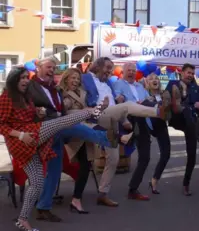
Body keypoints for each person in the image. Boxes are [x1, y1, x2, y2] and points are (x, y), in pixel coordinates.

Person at [0, 67, 105, 231]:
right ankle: (95, 114)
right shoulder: (7, 96)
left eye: (27, 77)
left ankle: (22, 219)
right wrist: (20, 135)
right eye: (22, 78)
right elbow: (2, 125)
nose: (26, 80)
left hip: (31, 136)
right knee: (61, 122)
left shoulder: (26, 97)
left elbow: (28, 117)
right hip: (21, 139)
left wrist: (39, 113)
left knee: (37, 183)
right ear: (14, 80)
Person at [59, 68, 162, 211]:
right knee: (84, 163)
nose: (76, 81)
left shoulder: (88, 91)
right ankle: (121, 138)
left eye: (77, 78)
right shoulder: (62, 93)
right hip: (78, 126)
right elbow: (63, 110)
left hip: (94, 119)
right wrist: (83, 107)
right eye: (73, 78)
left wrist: (103, 109)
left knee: (126, 107)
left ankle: (158, 112)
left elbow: (95, 110)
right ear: (66, 79)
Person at [28, 57, 116, 222]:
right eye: (48, 67)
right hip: (43, 129)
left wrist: (98, 109)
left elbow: (61, 110)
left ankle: (43, 207)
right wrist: (38, 112)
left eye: (54, 68)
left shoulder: (54, 89)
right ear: (39, 67)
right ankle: (106, 139)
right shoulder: (31, 86)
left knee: (55, 171)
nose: (52, 70)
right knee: (77, 126)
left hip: (59, 131)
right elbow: (26, 107)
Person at [113, 62, 170, 200]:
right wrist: (120, 99)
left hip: (144, 119)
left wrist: (147, 102)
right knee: (140, 106)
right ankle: (159, 111)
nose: (132, 73)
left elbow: (146, 99)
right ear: (124, 72)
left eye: (134, 70)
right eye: (129, 70)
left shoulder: (140, 86)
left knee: (145, 157)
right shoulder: (118, 84)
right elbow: (118, 101)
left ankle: (133, 189)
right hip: (131, 118)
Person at [165, 63, 199, 196]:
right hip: (176, 118)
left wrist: (195, 106)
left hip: (189, 122)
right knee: (185, 110)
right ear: (181, 73)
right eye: (188, 73)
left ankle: (186, 184)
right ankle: (181, 106)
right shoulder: (173, 83)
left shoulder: (195, 88)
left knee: (192, 155)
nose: (190, 75)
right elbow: (166, 101)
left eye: (192, 73)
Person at [144, 73, 174, 194]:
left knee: (166, 154)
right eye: (151, 79)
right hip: (146, 125)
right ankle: (133, 186)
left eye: (156, 78)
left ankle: (154, 180)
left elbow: (168, 113)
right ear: (147, 83)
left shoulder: (164, 95)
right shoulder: (144, 94)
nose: (155, 80)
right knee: (144, 157)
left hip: (160, 125)